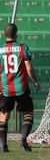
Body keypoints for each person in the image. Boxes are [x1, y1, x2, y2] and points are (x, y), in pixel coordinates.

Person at [0, 23, 40, 152]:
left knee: (3, 116)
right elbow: (29, 68)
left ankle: (3, 145)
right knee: (28, 113)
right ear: (16, 34)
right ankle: (23, 140)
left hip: (5, 89)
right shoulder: (23, 48)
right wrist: (35, 81)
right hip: (21, 88)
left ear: (3, 34)